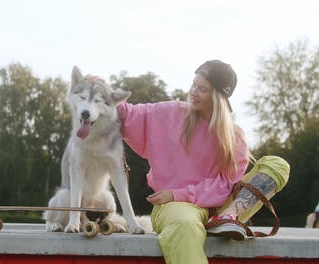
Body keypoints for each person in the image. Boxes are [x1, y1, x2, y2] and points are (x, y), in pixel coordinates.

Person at [117, 60, 289, 264]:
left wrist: (227, 212)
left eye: (202, 89)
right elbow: (126, 113)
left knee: (278, 164)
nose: (193, 92)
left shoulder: (234, 136)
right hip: (176, 204)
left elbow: (226, 185)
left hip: (224, 208)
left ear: (218, 96)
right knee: (184, 224)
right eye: (194, 85)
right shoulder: (172, 113)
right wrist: (96, 91)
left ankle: (227, 219)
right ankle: (220, 221)